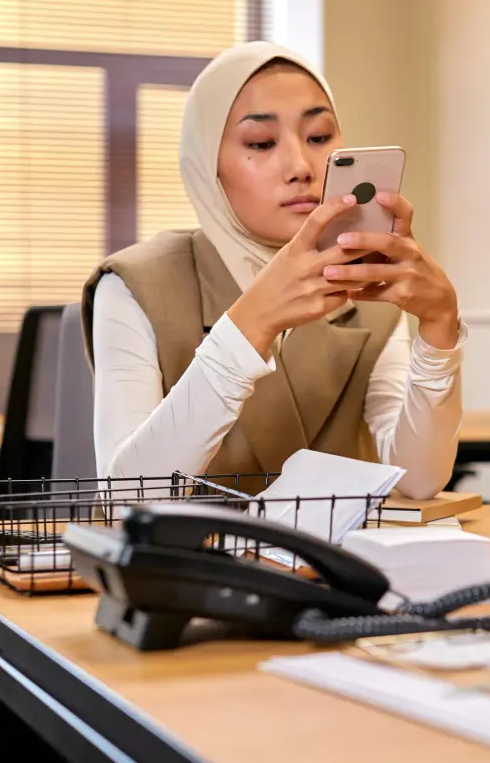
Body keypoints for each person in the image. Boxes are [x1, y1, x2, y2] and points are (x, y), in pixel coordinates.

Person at [82, 41, 466, 498]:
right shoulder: (137, 284)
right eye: (261, 143)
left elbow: (418, 481)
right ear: (208, 167)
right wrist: (254, 322)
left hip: (334, 565)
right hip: (197, 565)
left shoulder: (367, 284)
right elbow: (127, 499)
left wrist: (439, 329)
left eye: (320, 138)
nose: (301, 167)